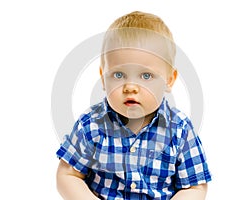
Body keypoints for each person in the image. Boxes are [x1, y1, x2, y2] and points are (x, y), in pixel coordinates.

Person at [56, 11, 211, 200]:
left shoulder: (179, 130)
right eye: (119, 75)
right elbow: (68, 176)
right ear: (103, 77)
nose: (130, 87)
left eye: (146, 76)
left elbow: (195, 187)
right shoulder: (91, 125)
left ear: (169, 80)